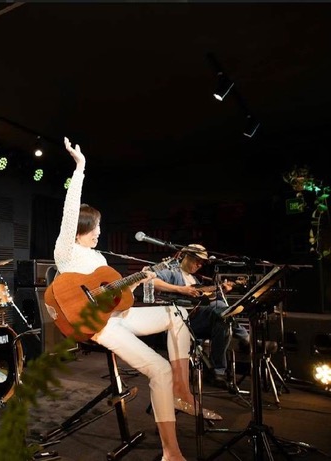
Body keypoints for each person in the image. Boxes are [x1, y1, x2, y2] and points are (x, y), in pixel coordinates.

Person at [52, 137, 220, 461]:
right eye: (96, 227)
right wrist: (80, 167)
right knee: (159, 369)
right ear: (81, 228)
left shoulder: (99, 258)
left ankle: (182, 391)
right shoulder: (66, 251)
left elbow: (118, 298)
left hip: (119, 316)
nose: (100, 231)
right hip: (101, 327)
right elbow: (69, 211)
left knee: (177, 313)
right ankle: (171, 452)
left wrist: (139, 279)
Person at [152, 244, 250, 387]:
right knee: (220, 307)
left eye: (202, 262)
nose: (199, 265)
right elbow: (152, 281)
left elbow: (205, 303)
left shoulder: (195, 280)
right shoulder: (172, 271)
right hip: (184, 322)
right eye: (196, 260)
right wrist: (181, 289)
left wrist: (222, 291)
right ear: (185, 256)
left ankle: (217, 373)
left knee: (223, 322)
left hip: (200, 321)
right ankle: (246, 338)